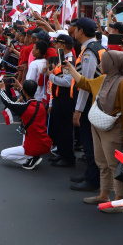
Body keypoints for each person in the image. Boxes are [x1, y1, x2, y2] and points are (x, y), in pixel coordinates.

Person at [65, 50, 123, 210]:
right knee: (102, 163)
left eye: (103, 62)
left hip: (114, 129)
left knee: (116, 165)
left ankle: (119, 202)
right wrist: (70, 68)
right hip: (98, 126)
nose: (100, 64)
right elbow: (84, 83)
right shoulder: (104, 79)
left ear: (113, 64)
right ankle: (104, 195)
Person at [70, 17, 107, 193]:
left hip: (90, 103)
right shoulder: (96, 47)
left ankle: (93, 180)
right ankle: (89, 174)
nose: (73, 31)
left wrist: (78, 110)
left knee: (90, 142)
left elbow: (86, 84)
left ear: (81, 31)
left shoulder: (89, 52)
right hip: (96, 100)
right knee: (90, 141)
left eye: (75, 28)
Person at [0, 79, 53, 169]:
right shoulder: (41, 105)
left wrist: (2, 89)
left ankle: (30, 160)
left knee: (3, 154)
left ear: (24, 92)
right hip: (43, 141)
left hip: (32, 144)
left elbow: (8, 103)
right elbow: (28, 97)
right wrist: (21, 87)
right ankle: (32, 157)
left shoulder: (25, 108)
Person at [47, 34, 78, 167]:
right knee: (60, 127)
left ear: (63, 45)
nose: (54, 45)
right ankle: (61, 152)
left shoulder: (69, 60)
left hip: (65, 98)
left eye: (57, 43)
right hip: (59, 97)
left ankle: (68, 157)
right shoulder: (63, 58)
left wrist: (50, 77)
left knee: (65, 128)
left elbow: (67, 82)